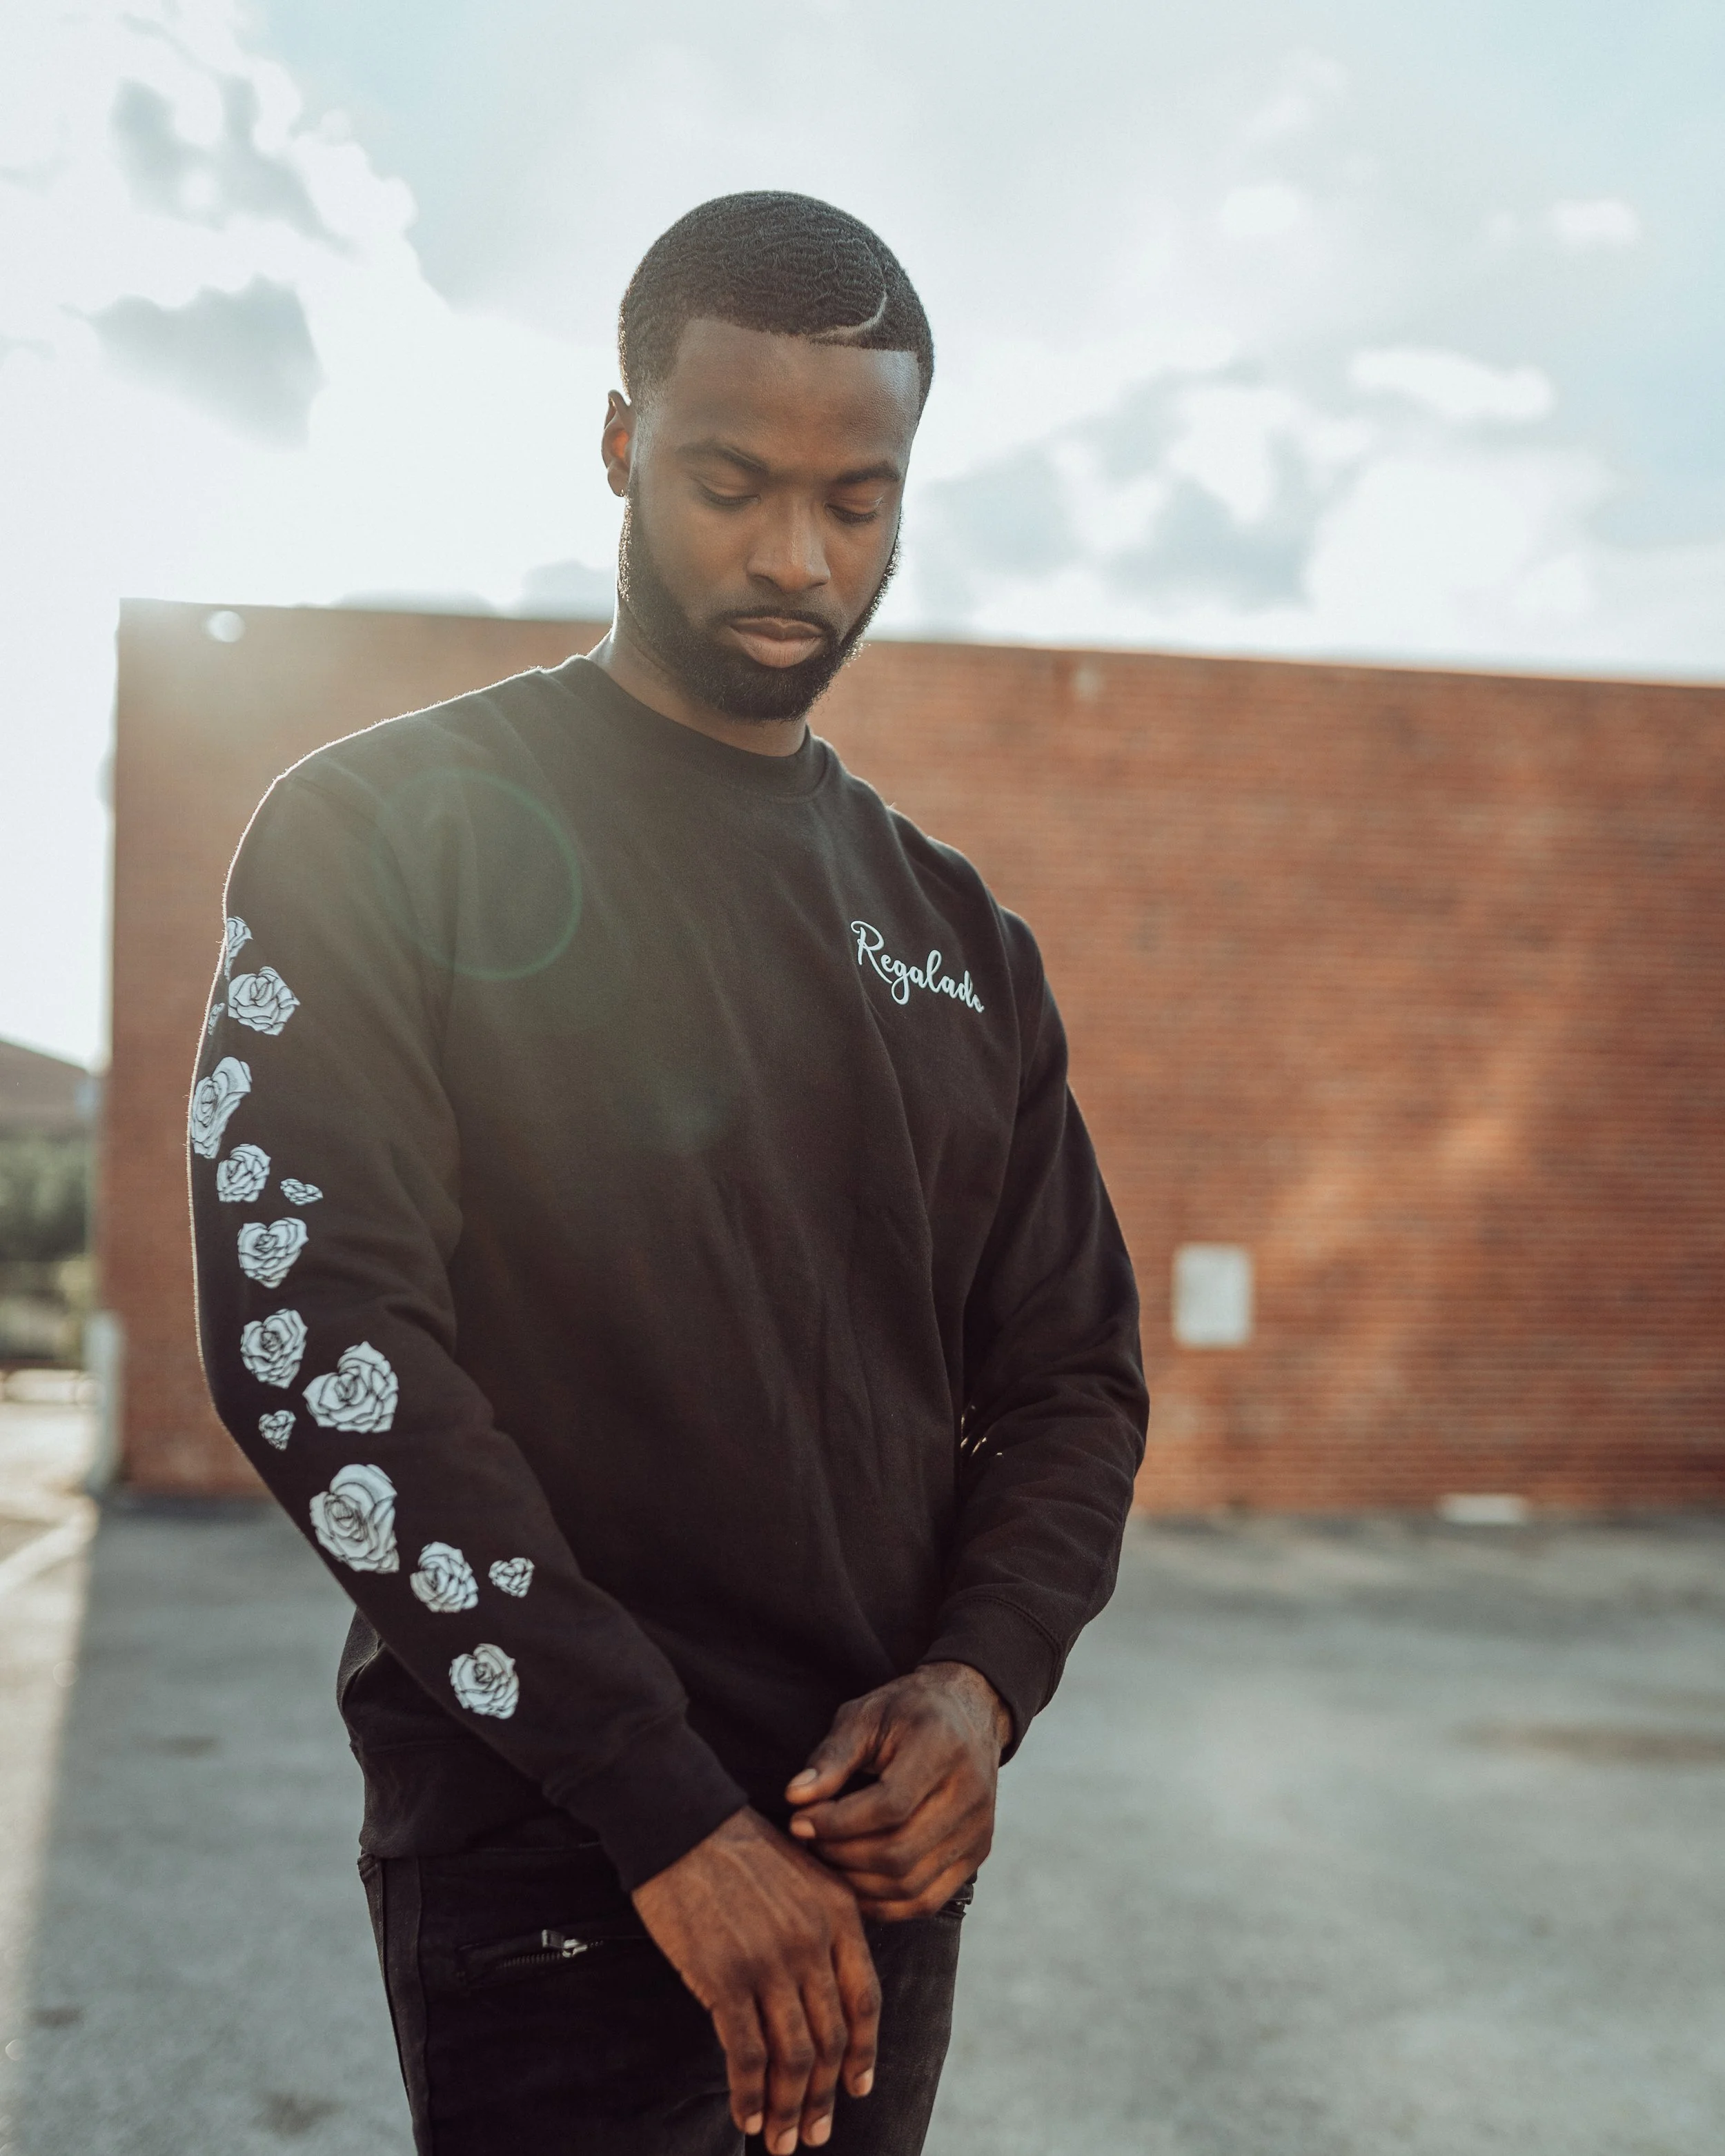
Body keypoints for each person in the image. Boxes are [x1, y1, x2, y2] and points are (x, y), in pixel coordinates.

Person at [190, 191, 1147, 2156]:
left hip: (877, 1871)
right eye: (729, 480)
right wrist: (660, 1807)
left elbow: (1071, 1376)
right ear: (620, 441)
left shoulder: (956, 934)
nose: (795, 556)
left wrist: (978, 1688)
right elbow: (317, 1341)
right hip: (561, 1865)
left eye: (857, 500)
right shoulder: (385, 831)